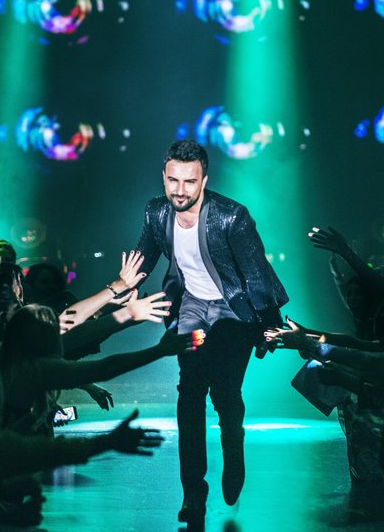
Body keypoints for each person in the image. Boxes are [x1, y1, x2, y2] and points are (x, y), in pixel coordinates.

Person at [133, 139, 288, 525]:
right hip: (191, 305)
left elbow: (256, 273)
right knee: (190, 392)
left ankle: (233, 447)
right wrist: (121, 292)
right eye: (173, 180)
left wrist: (270, 325)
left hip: (233, 308)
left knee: (225, 393)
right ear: (164, 177)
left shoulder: (231, 216)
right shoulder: (156, 212)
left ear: (204, 180)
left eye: (189, 181)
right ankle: (193, 493)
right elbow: (143, 259)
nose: (180, 190)